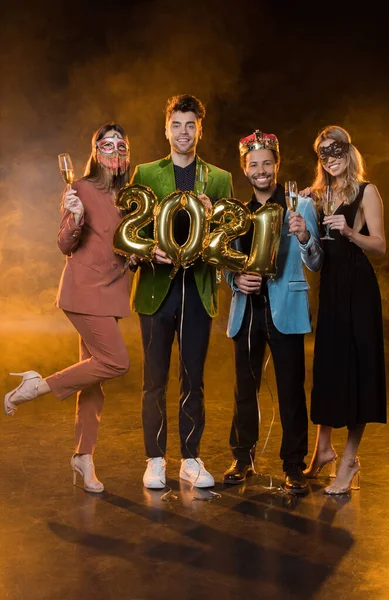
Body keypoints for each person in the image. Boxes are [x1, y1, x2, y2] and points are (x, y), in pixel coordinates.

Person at [4, 123, 133, 493]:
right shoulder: (81, 188)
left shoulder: (132, 195)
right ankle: (36, 386)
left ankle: (83, 457)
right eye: (105, 145)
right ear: (96, 151)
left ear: (127, 151)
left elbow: (126, 246)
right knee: (115, 362)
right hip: (82, 289)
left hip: (111, 292)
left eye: (120, 145)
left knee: (93, 382)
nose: (113, 151)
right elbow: (64, 244)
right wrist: (74, 215)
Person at [130, 94, 233, 489]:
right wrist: (146, 251)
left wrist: (211, 221)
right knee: (154, 379)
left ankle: (190, 459)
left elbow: (230, 239)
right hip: (157, 290)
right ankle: (155, 459)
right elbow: (130, 236)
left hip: (199, 289)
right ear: (166, 128)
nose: (184, 132)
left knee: (193, 379)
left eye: (191, 125)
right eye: (177, 124)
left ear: (200, 129)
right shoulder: (145, 172)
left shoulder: (220, 179)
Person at [224, 130, 323, 494]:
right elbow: (226, 263)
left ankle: (293, 465)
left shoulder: (301, 207)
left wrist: (304, 237)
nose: (261, 170)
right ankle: (242, 456)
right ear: (245, 169)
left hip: (286, 308)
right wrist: (236, 279)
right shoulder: (238, 212)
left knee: (291, 390)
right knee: (244, 389)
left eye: (267, 163)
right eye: (254, 164)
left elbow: (315, 263)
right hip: (247, 309)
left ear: (277, 166)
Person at [300, 125, 386, 494]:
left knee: (357, 370)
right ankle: (322, 449)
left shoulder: (367, 191)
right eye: (323, 154)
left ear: (349, 152)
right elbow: (313, 248)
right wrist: (305, 204)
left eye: (336, 152)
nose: (331, 160)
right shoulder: (320, 195)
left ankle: (349, 461)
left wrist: (350, 232)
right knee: (328, 367)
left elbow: (380, 245)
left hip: (358, 288)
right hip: (331, 288)